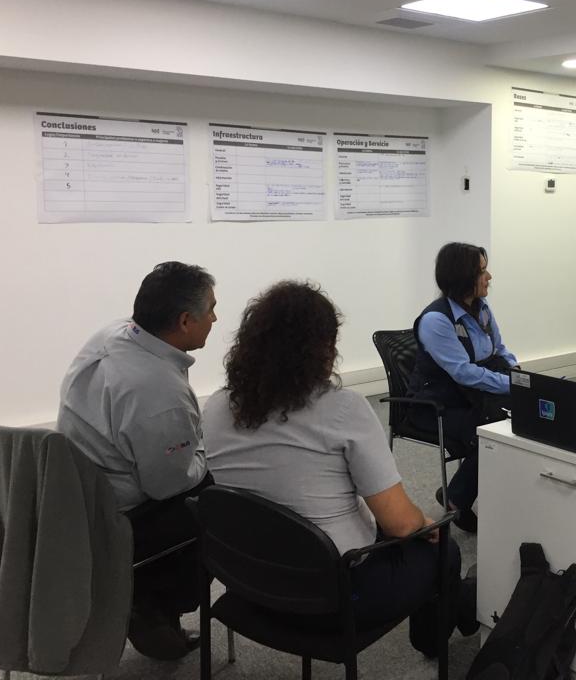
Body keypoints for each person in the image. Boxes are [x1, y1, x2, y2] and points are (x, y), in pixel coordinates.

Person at [202, 281, 477, 656]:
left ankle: (463, 602)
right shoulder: (344, 409)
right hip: (333, 597)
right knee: (444, 548)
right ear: (322, 349)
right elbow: (399, 523)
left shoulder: (217, 407)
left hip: (249, 582)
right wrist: (425, 523)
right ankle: (435, 640)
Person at [56, 262, 217, 660]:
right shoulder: (157, 391)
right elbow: (169, 486)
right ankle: (153, 603)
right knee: (218, 497)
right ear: (185, 321)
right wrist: (204, 447)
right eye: (211, 309)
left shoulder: (113, 333)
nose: (215, 319)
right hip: (118, 519)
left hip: (73, 501)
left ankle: (144, 596)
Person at [407, 242, 517, 534]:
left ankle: (488, 496)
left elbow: (499, 350)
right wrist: (510, 385)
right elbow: (464, 373)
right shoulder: (436, 320)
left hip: (470, 397)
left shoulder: (482, 309)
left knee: (525, 417)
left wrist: (519, 377)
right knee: (497, 432)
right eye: (482, 271)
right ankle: (456, 497)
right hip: (435, 405)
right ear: (462, 277)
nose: (489, 277)